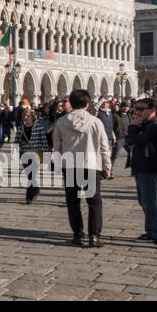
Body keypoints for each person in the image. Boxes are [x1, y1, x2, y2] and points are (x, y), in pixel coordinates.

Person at [50, 89, 111, 248]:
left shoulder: (62, 122)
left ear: (72, 102)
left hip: (70, 166)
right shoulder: (96, 122)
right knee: (94, 202)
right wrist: (107, 166)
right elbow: (104, 147)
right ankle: (94, 236)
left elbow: (57, 147)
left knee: (73, 202)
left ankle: (77, 235)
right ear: (87, 104)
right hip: (90, 165)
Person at [125, 98, 157, 242]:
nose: (137, 112)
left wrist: (133, 126)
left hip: (148, 167)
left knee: (149, 201)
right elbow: (130, 140)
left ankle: (154, 232)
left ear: (152, 110)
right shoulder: (145, 125)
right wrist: (134, 128)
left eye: (141, 109)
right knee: (144, 201)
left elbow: (138, 140)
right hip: (140, 166)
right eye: (135, 108)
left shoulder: (155, 126)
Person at [15, 107, 49, 204]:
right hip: (24, 154)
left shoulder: (38, 127)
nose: (26, 117)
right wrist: (14, 153)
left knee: (31, 175)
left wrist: (46, 156)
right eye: (24, 116)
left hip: (35, 154)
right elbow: (16, 141)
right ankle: (35, 189)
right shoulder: (20, 128)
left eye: (28, 116)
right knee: (29, 175)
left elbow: (44, 142)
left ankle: (29, 196)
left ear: (33, 117)